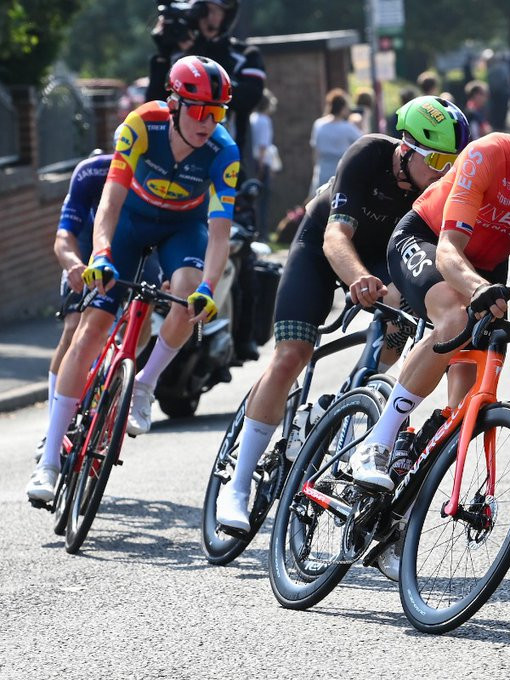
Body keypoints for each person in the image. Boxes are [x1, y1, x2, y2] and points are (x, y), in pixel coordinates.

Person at [215, 96, 471, 532]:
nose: (444, 170)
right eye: (436, 158)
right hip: (321, 247)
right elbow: (336, 236)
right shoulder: (368, 154)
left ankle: (359, 408)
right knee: (292, 354)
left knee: (392, 343)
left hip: (384, 261)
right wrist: (356, 277)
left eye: (453, 161)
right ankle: (237, 485)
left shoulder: (439, 190)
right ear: (405, 147)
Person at [351, 91, 510, 502]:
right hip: (427, 240)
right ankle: (377, 444)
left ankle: (400, 505)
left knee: (466, 404)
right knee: (454, 319)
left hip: (487, 267)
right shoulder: (487, 155)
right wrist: (474, 289)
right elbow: (450, 251)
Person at [26, 56, 238, 503]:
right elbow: (109, 202)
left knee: (186, 292)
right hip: (129, 224)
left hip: (182, 229)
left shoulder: (223, 152)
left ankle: (144, 385)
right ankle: (48, 462)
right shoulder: (142, 125)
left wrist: (208, 287)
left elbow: (220, 233)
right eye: (200, 110)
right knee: (90, 332)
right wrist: (100, 253)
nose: (209, 122)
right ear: (174, 103)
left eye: (218, 112)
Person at [32, 138, 163, 463]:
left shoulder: (159, 182)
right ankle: (54, 425)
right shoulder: (90, 173)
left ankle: (120, 365)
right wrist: (73, 264)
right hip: (91, 258)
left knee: (143, 309)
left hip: (139, 256)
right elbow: (64, 237)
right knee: (74, 326)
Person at [146, 0, 265, 175]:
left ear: (227, 15)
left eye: (215, 10)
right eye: (202, 9)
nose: (208, 16)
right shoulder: (178, 53)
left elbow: (248, 99)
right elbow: (154, 104)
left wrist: (198, 55)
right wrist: (163, 54)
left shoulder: (245, 55)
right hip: (171, 161)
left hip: (224, 162)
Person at [308, 88, 363, 195]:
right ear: (342, 108)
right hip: (341, 171)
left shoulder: (318, 124)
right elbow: (363, 141)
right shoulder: (347, 127)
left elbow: (315, 151)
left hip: (322, 170)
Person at [250, 88, 278, 241]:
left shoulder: (253, 118)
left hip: (251, 161)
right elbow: (263, 146)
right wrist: (262, 165)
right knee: (263, 200)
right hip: (261, 163)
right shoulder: (264, 120)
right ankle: (263, 234)